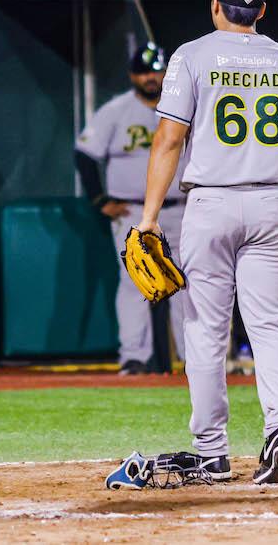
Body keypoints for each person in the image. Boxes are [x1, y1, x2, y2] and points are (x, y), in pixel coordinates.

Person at [137, 0, 278, 484]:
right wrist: (271, 177)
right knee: (271, 324)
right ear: (261, 10)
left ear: (214, 4)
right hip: (272, 202)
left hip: (212, 204)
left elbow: (169, 139)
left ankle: (212, 450)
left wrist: (149, 218)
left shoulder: (192, 55)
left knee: (205, 329)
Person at [75, 43, 187, 375]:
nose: (151, 77)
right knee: (135, 281)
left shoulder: (184, 107)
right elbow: (84, 154)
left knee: (189, 285)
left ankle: (195, 359)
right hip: (133, 210)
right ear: (132, 75)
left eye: (156, 70)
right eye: (144, 71)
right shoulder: (116, 110)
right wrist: (99, 199)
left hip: (181, 208)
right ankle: (135, 357)